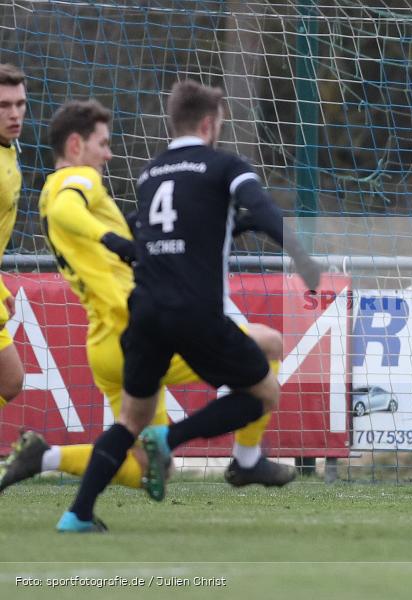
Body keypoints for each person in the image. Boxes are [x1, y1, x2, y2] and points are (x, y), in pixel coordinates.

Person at [56, 81, 320, 532]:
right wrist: (302, 257)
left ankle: (77, 513)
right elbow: (262, 206)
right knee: (263, 393)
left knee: (130, 419)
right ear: (208, 123)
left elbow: (151, 232)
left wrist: (227, 226)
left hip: (145, 314)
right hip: (195, 314)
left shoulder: (150, 174)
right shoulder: (224, 166)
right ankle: (186, 443)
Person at [0, 98, 294, 501]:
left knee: (147, 468)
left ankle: (43, 458)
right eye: (102, 143)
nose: (108, 153)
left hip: (104, 341)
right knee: (270, 344)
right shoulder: (78, 181)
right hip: (136, 330)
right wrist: (112, 239)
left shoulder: (50, 189)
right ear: (75, 146)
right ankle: (246, 459)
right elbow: (74, 210)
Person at [0, 64, 27, 410]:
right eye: (4, 105)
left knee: (11, 380)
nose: (14, 113)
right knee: (10, 378)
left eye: (19, 103)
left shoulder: (9, 149)